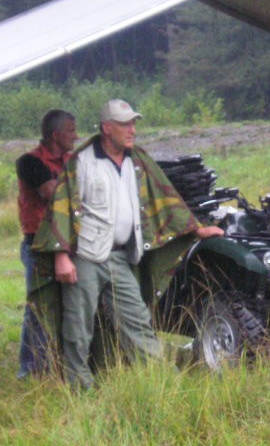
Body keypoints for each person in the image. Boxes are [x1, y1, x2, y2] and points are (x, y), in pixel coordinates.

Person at [32, 99, 223, 389]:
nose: (132, 129)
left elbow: (164, 197)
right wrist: (61, 255)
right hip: (86, 256)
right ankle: (78, 386)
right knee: (78, 325)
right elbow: (61, 208)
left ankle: (160, 380)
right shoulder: (82, 162)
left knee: (137, 319)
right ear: (107, 128)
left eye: (134, 123)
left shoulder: (138, 161)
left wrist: (195, 229)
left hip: (121, 257)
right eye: (125, 124)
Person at [16, 109, 77, 379]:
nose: (76, 136)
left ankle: (62, 363)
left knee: (69, 304)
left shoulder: (71, 160)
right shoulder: (29, 162)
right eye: (71, 131)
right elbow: (53, 193)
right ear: (56, 135)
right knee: (40, 307)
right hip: (38, 245)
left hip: (69, 242)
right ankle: (31, 370)